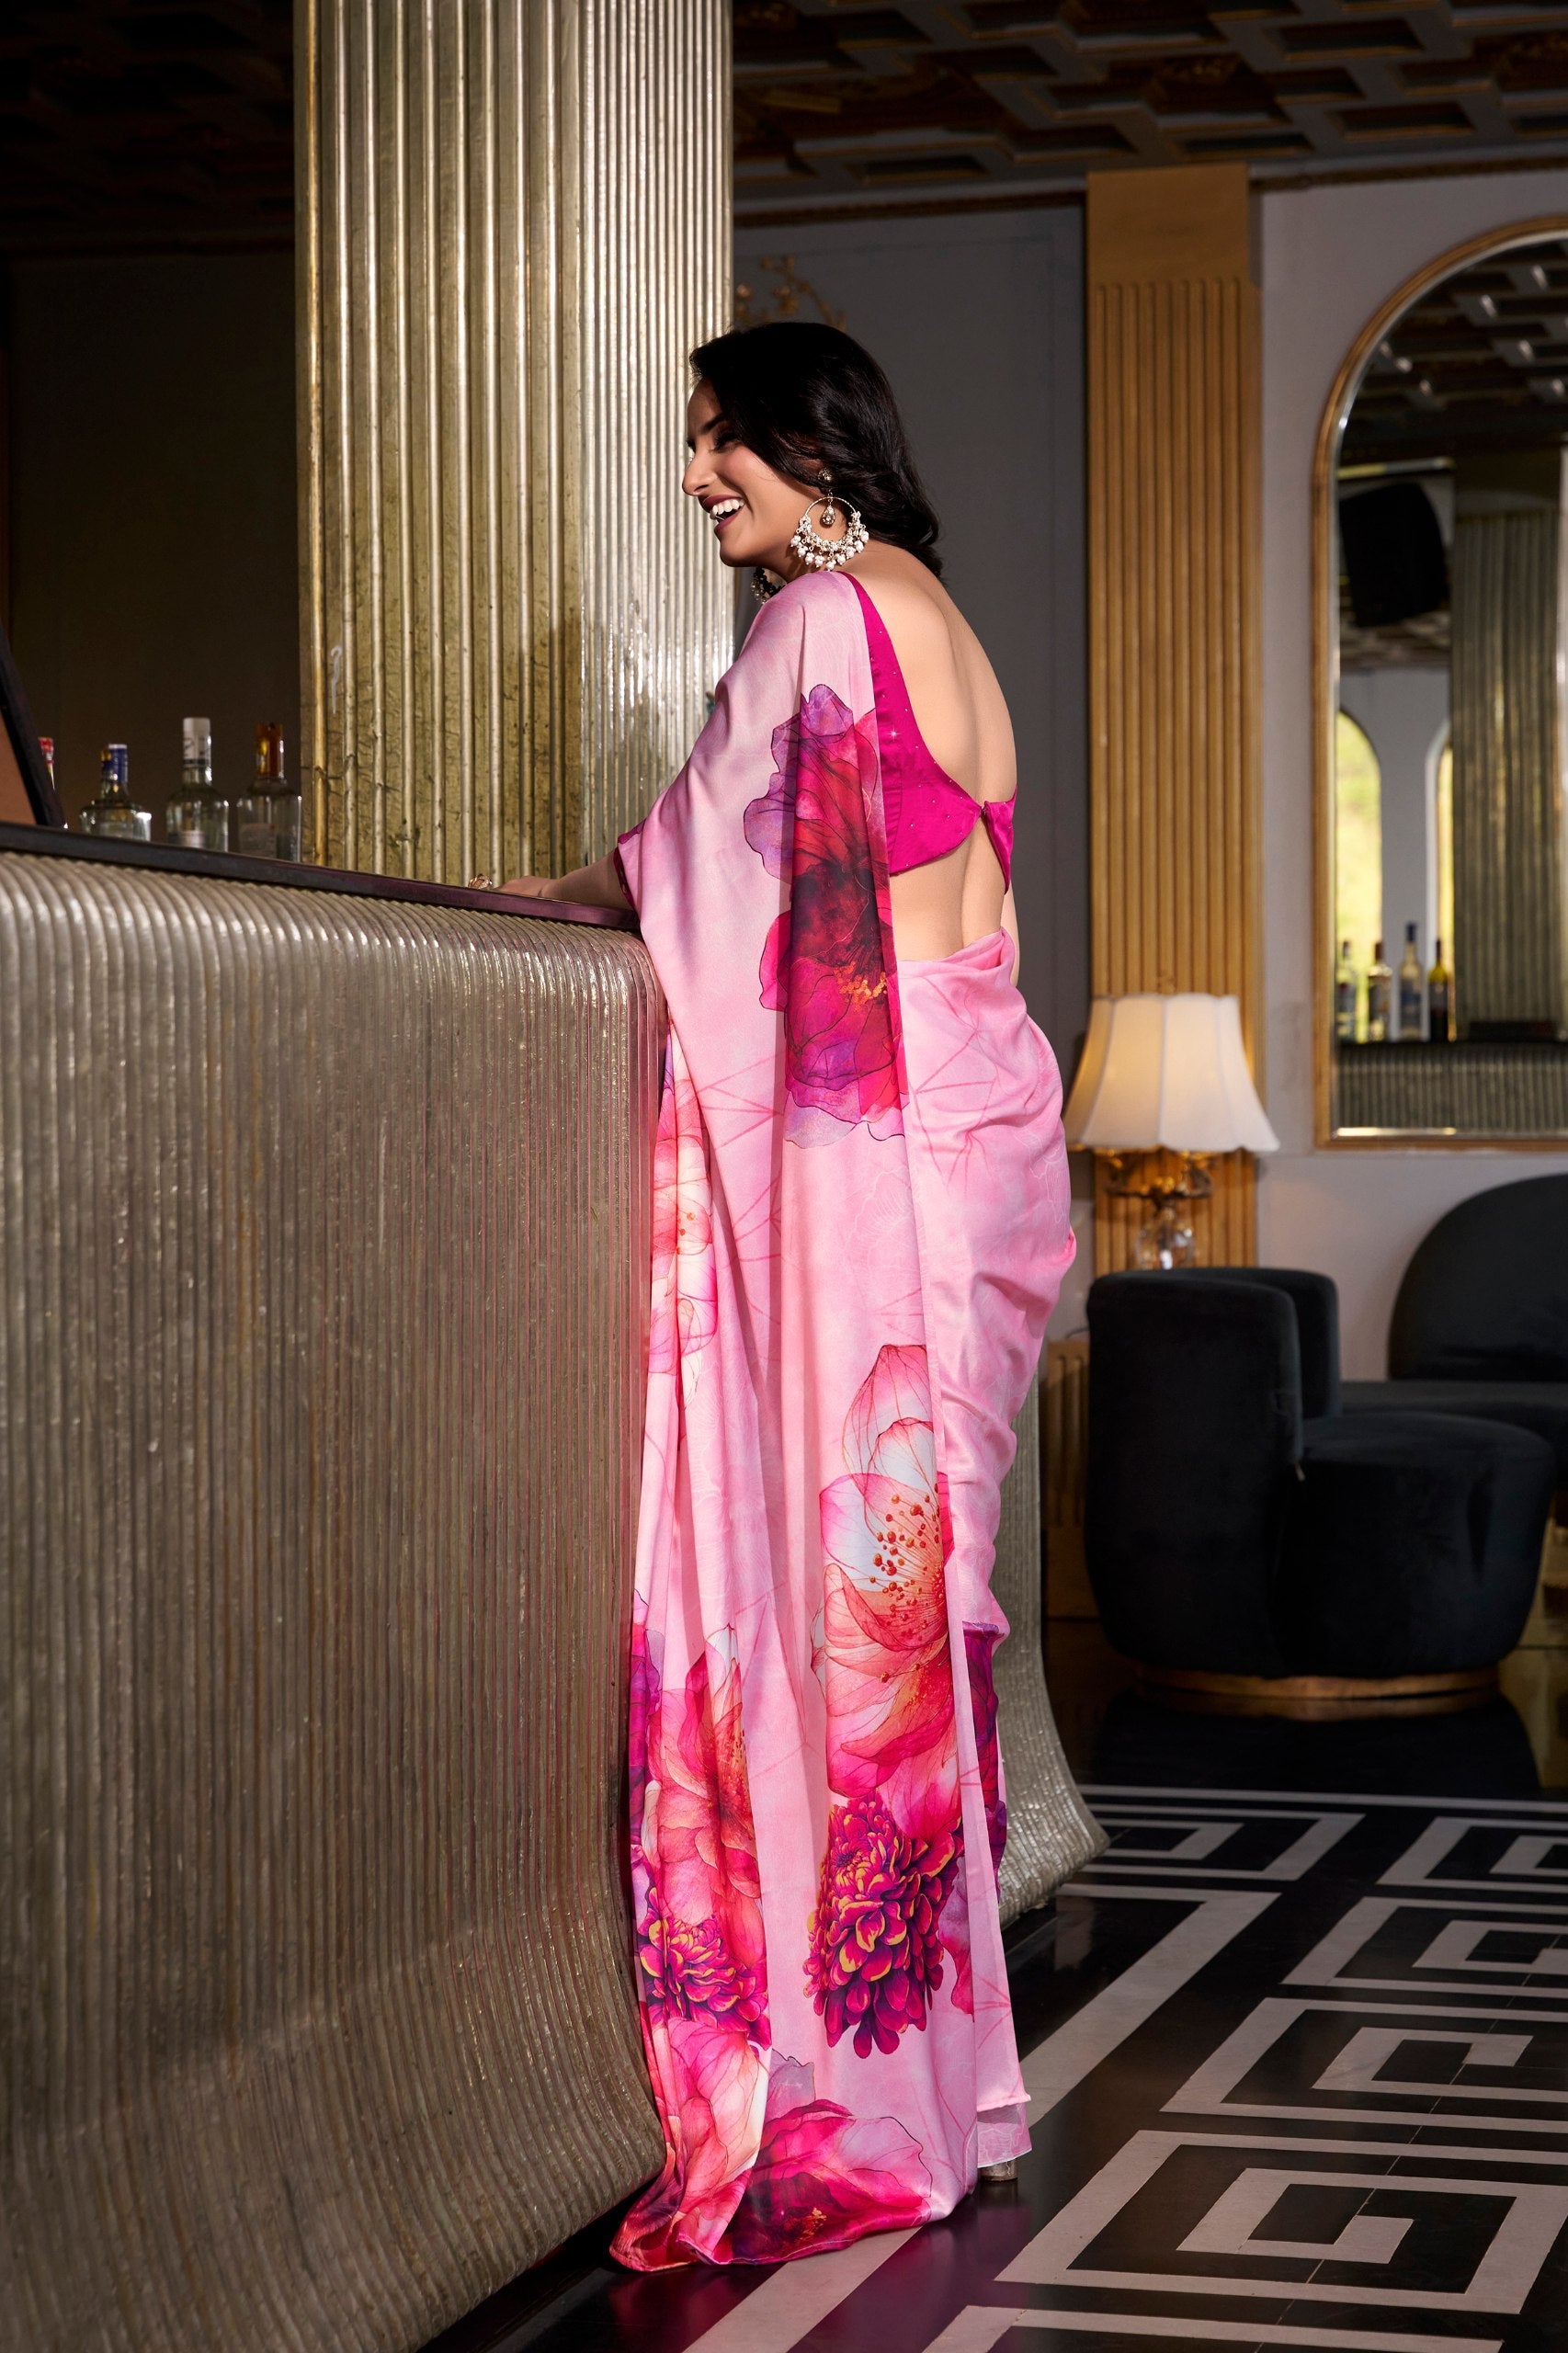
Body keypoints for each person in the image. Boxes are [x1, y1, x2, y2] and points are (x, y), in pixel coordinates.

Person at [495, 323, 1076, 2268]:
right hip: (983, 1120)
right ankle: (946, 2076)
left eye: (713, 442)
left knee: (851, 1612)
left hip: (890, 1155)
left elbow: (694, 866)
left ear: (804, 443)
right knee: (914, 1613)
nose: (694, 480)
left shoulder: (823, 619)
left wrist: (553, 899)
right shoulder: (944, 621)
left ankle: (857, 2088)